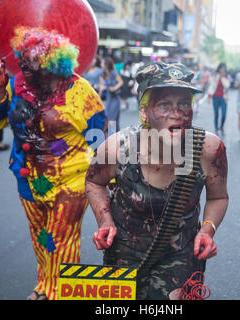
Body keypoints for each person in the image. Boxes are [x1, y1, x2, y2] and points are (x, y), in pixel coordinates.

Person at [0, 27, 107, 300]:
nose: (23, 65)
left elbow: (100, 139)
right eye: (22, 59)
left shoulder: (81, 91)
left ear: (52, 63)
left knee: (62, 239)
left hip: (71, 181)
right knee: (41, 237)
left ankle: (62, 293)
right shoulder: (15, 85)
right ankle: (45, 285)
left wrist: (109, 181)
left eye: (31, 61)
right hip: (28, 178)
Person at [85, 62, 229, 300]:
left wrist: (207, 229)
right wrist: (105, 220)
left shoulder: (209, 149)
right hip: (125, 251)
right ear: (144, 112)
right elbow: (94, 182)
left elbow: (218, 196)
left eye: (184, 103)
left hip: (181, 253)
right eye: (165, 104)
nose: (178, 113)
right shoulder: (119, 147)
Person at [99, 57, 123, 132]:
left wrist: (114, 88)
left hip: (115, 98)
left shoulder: (113, 73)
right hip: (108, 99)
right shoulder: (102, 75)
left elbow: (121, 82)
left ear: (106, 64)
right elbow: (102, 86)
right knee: (109, 117)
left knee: (112, 119)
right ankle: (115, 136)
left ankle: (112, 136)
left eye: (102, 63)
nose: (101, 65)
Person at [208, 63, 230, 137]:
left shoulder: (226, 77)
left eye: (224, 68)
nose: (222, 70)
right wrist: (209, 96)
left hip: (224, 98)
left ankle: (221, 127)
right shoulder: (215, 77)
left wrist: (223, 77)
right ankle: (216, 129)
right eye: (221, 68)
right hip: (215, 97)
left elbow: (227, 86)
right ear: (219, 69)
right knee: (216, 114)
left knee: (224, 115)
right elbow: (211, 86)